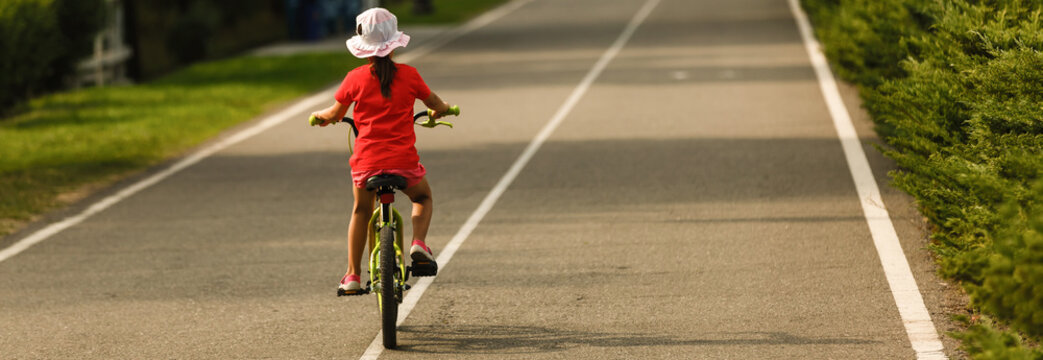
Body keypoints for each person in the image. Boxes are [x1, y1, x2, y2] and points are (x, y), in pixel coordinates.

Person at [309, 7, 452, 295]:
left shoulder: (354, 78)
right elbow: (436, 103)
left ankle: (352, 276)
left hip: (366, 164)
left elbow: (336, 113)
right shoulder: (410, 75)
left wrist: (321, 116)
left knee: (361, 210)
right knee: (422, 197)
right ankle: (418, 244)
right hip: (404, 163)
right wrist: (442, 111)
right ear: (394, 42)